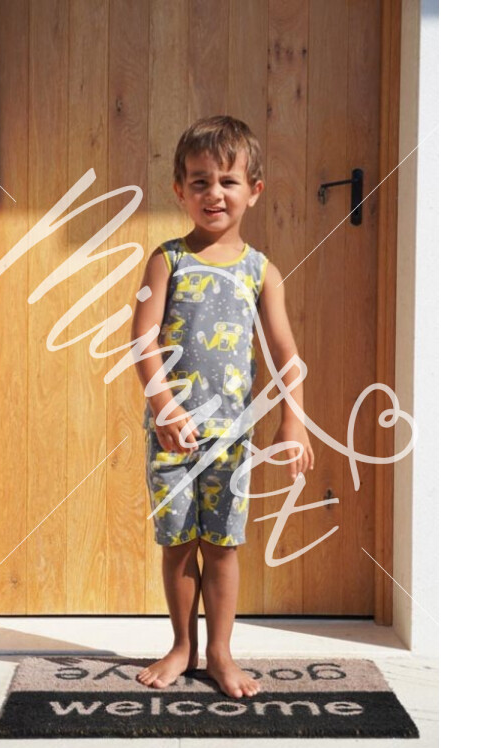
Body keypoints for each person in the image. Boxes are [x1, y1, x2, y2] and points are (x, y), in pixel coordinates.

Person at [130, 115, 314, 699]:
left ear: (253, 191)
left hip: (232, 438)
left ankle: (220, 653)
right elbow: (142, 339)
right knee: (179, 543)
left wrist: (292, 420)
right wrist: (164, 406)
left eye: (228, 181)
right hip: (173, 435)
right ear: (180, 191)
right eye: (200, 181)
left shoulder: (261, 272)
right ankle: (182, 646)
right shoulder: (166, 260)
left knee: (223, 546)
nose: (214, 193)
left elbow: (284, 352)